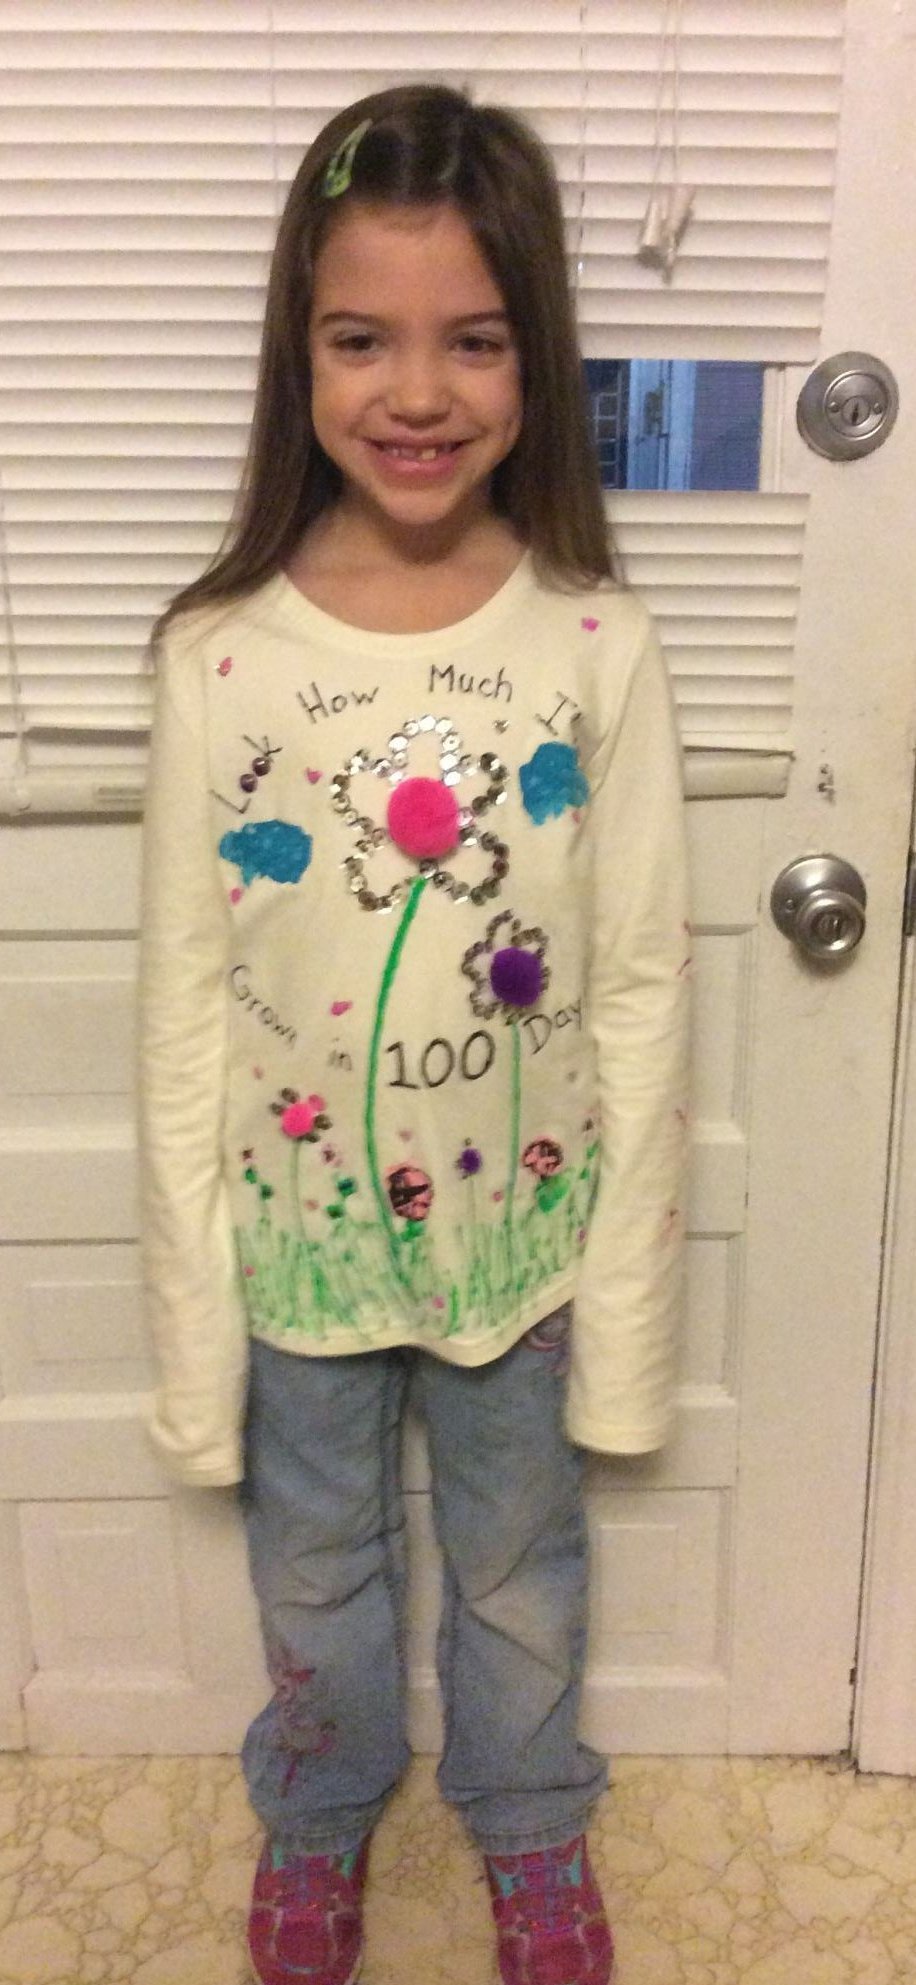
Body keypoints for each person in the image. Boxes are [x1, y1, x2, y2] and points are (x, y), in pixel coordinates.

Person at [138, 80, 690, 1985]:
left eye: (475, 338)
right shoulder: (220, 650)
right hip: (297, 1243)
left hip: (518, 1242)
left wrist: (625, 1312)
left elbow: (641, 984)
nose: (419, 391)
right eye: (363, 338)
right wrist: (193, 1315)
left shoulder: (596, 641)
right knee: (315, 1564)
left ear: (535, 360)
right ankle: (317, 1806)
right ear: (299, 355)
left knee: (523, 1558)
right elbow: (181, 1005)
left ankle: (529, 1816)